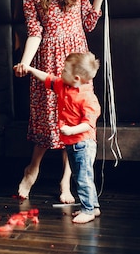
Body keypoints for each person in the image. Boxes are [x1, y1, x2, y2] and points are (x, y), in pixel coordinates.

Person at [13, 0, 108, 202]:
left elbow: (88, 24)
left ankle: (66, 181)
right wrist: (25, 62)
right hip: (48, 58)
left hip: (75, 60)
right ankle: (32, 170)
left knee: (72, 120)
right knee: (48, 121)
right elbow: (34, 32)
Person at [22, 52, 102, 224]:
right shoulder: (63, 85)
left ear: (76, 78)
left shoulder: (88, 98)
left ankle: (88, 210)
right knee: (82, 176)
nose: (60, 72)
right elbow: (47, 78)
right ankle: (93, 207)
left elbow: (89, 124)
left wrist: (72, 131)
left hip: (84, 144)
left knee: (83, 177)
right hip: (72, 143)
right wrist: (29, 69)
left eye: (64, 70)